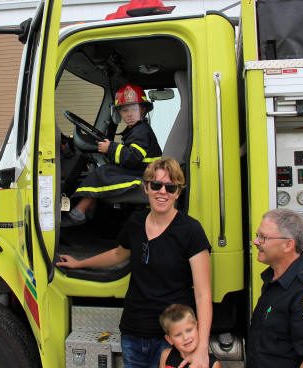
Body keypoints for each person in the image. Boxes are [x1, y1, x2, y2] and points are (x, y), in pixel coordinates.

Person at [57, 157, 212, 368]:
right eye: (156, 185)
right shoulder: (136, 222)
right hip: (133, 334)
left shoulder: (191, 231)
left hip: (171, 338)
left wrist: (202, 348)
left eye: (170, 187)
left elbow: (203, 295)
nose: (162, 192)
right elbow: (118, 254)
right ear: (146, 188)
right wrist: (79, 264)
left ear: (178, 192)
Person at [247, 209, 303, 368]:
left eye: (263, 237)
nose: (256, 242)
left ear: (288, 244)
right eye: (257, 236)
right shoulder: (274, 282)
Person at [61, 83, 162, 227]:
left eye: (134, 109)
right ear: (119, 114)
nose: (129, 114)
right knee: (104, 171)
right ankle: (90, 210)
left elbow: (132, 158)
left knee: (102, 173)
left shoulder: (141, 131)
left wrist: (111, 148)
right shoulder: (136, 129)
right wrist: (112, 149)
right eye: (125, 110)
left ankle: (79, 212)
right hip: (140, 170)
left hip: (145, 174)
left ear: (143, 110)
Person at [159, 304, 220, 368]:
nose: (185, 338)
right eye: (178, 335)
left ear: (198, 327)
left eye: (189, 330)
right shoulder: (166, 355)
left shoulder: (213, 364)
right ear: (169, 339)